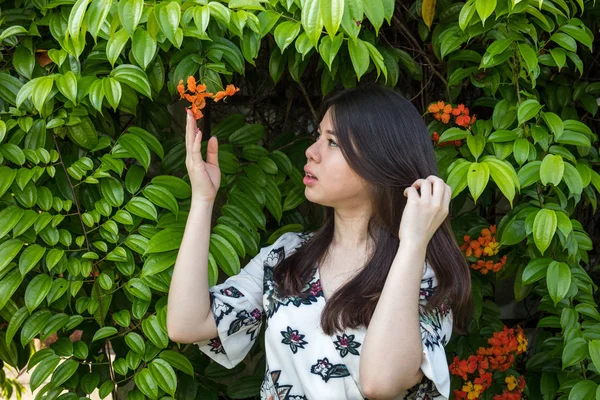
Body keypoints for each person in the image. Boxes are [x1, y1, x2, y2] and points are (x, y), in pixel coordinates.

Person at [167, 84, 473, 400]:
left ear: (380, 160)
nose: (311, 151)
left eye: (332, 142)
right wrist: (203, 200)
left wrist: (412, 243)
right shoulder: (287, 255)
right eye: (317, 136)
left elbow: (380, 384)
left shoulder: (422, 274)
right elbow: (187, 325)